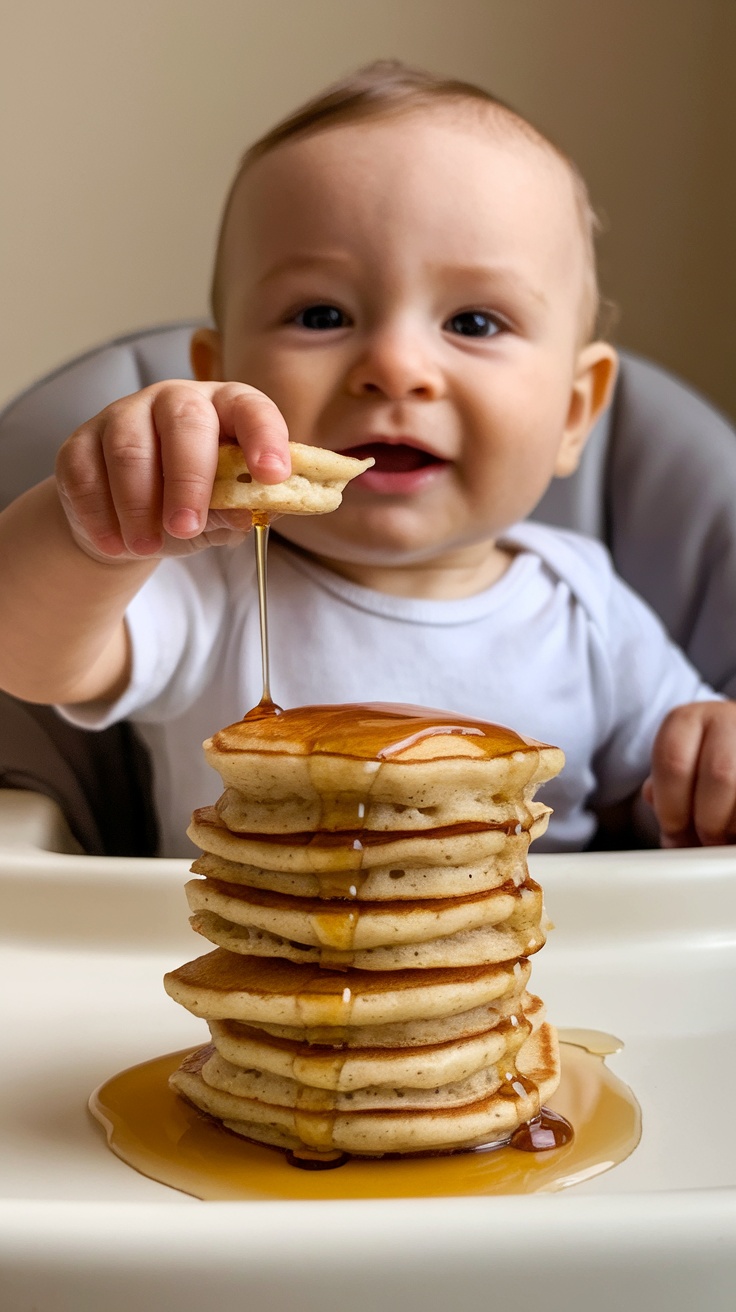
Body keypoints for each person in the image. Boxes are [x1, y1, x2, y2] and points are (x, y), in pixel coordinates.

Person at [0, 61, 734, 857]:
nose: (393, 365)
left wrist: (710, 757)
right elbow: (25, 653)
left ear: (573, 412)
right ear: (220, 381)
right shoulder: (207, 587)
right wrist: (102, 526)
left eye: (475, 323)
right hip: (256, 969)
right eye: (322, 314)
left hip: (543, 973)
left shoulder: (590, 610)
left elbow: (683, 788)